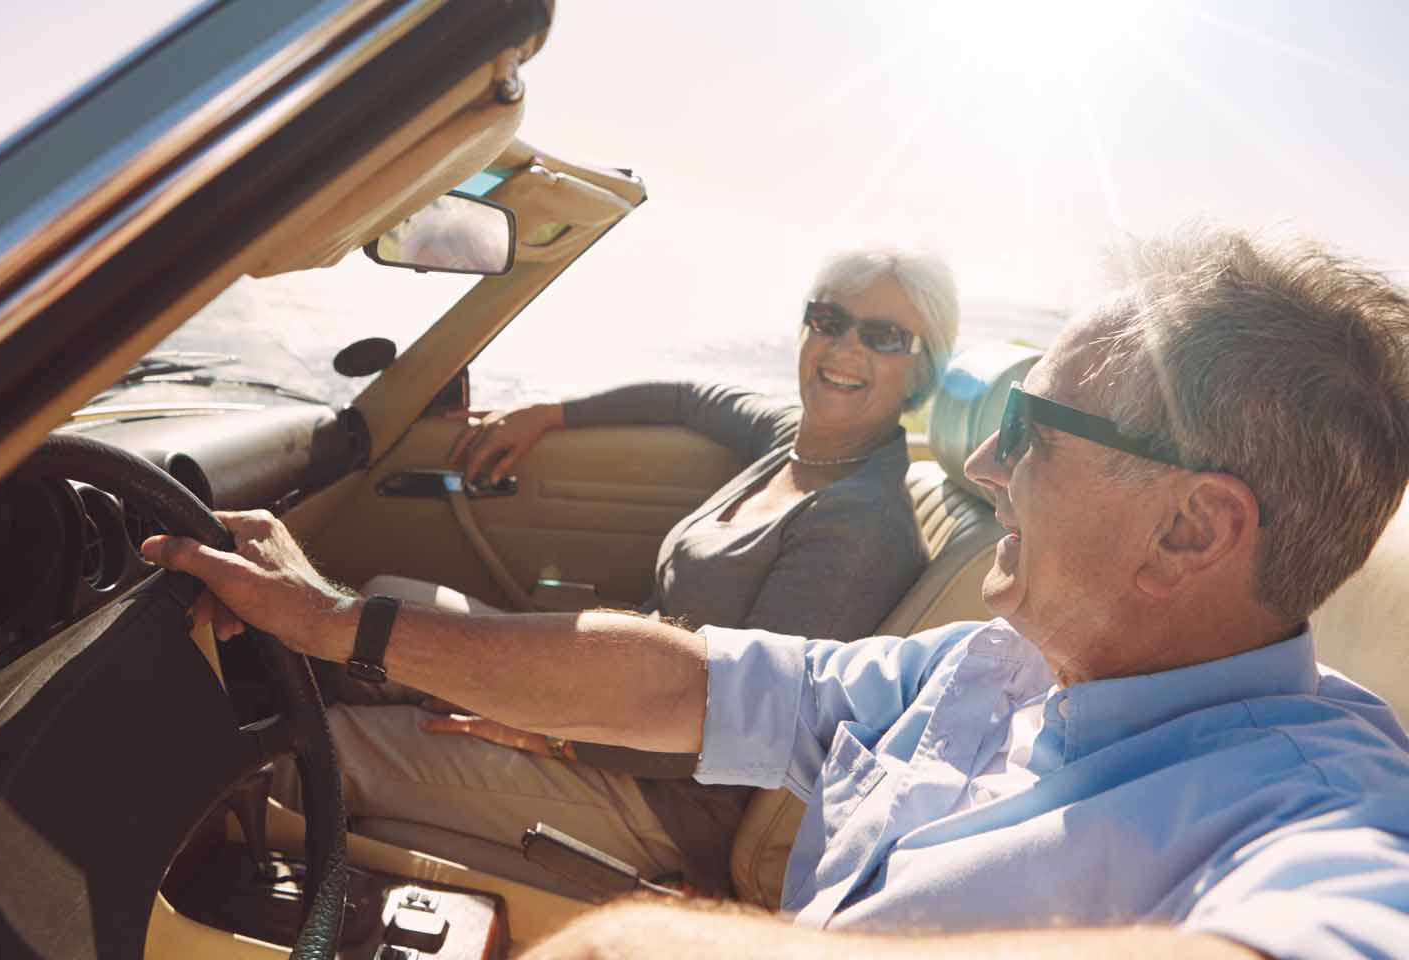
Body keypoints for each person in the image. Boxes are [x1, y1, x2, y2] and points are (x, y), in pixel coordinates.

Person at [144, 224, 1409, 959]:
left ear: (1193, 526)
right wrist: (335, 623)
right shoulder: (987, 665)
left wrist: (641, 940)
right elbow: (691, 678)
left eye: (1033, 430)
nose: (984, 465)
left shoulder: (1330, 805)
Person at [331, 249, 960, 893]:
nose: (845, 346)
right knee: (386, 605)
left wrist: (550, 733)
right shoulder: (794, 442)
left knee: (334, 747)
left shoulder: (858, 528)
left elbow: (751, 727)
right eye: (829, 320)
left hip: (662, 796)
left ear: (920, 375)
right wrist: (553, 414)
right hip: (615, 693)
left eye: (884, 336)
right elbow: (690, 400)